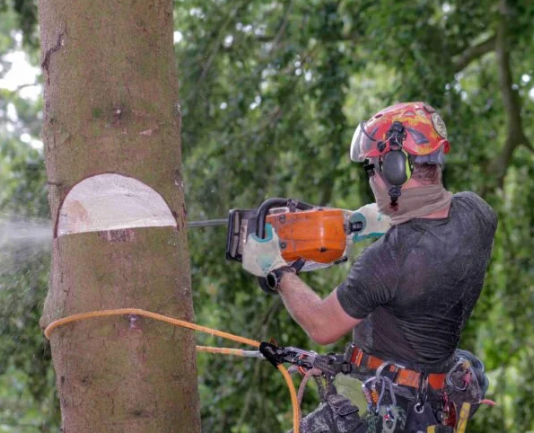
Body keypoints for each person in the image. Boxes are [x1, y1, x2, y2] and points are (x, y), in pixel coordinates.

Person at [241, 102, 497, 433]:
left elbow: (322, 326)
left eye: (371, 168)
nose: (370, 178)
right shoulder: (477, 215)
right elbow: (435, 206)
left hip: (380, 403)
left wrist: (276, 270)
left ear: (393, 169)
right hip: (434, 399)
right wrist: (367, 220)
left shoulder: (390, 259)